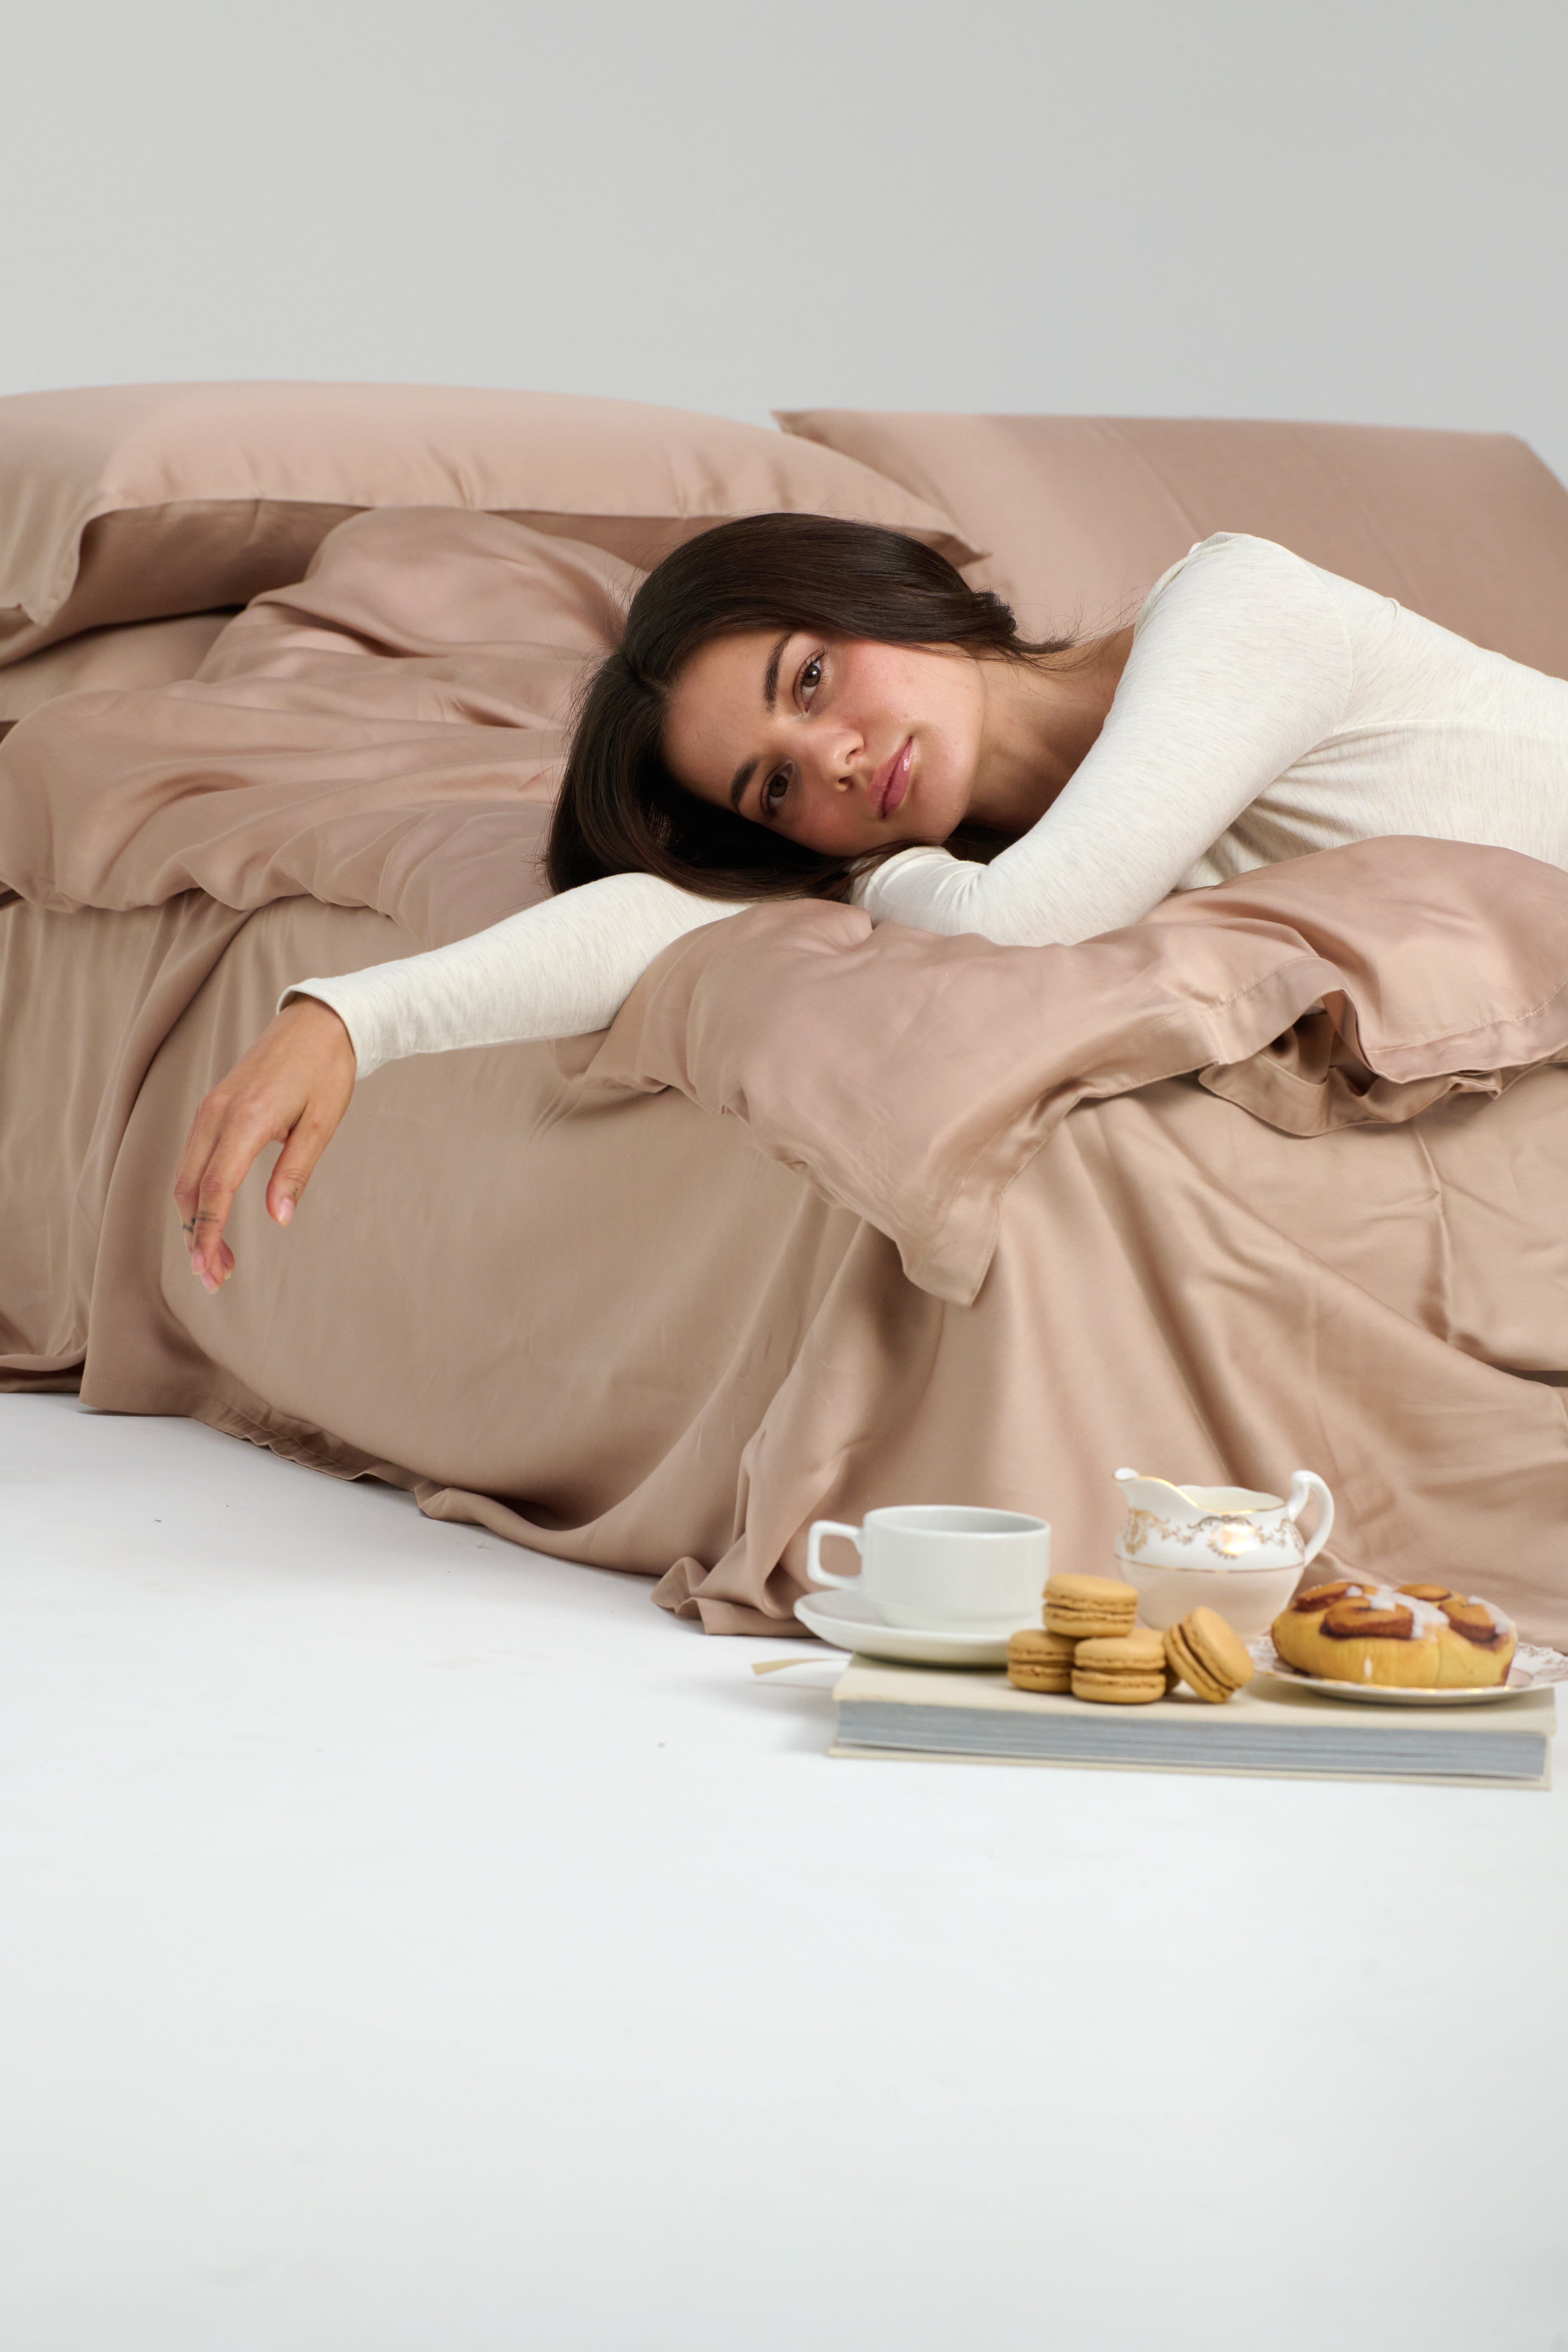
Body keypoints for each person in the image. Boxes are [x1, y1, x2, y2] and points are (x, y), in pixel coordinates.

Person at [176, 514, 1568, 1292]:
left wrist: (881, 875)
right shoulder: (952, 874)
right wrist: (353, 1012)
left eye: (809, 680)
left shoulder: (1245, 604)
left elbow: (1034, 924)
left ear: (880, 595)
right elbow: (675, 924)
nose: (834, 761)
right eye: (775, 793)